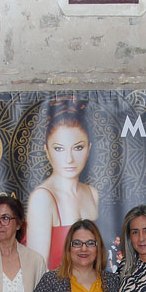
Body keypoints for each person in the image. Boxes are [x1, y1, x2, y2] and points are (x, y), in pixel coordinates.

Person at [25, 96, 100, 270]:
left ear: (89, 148)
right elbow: (38, 270)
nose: (69, 159)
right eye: (59, 148)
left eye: (78, 147)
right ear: (47, 150)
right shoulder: (42, 198)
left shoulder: (92, 193)